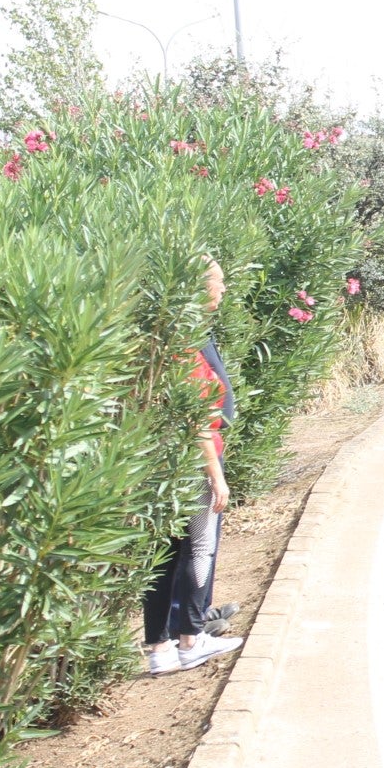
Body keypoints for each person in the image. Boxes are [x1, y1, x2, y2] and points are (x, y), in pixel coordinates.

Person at [143, 257, 245, 675]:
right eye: (218, 282)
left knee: (163, 555)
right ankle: (190, 638)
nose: (222, 290)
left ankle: (159, 648)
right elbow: (196, 417)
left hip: (164, 463)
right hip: (194, 462)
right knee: (198, 547)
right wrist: (217, 476)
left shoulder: (159, 341)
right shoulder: (184, 350)